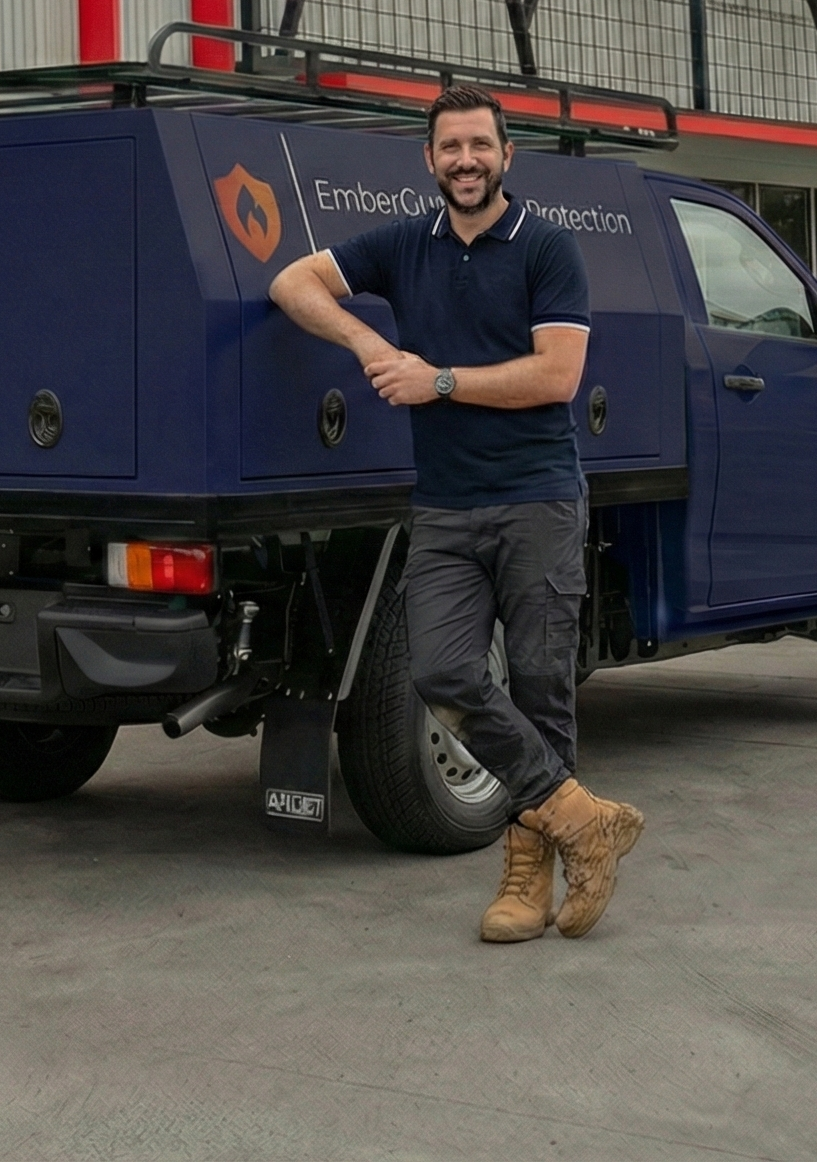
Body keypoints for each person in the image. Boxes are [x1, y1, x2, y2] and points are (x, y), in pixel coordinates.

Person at [268, 84, 646, 942]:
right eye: (451, 148)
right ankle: (586, 822)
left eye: (481, 146)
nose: (466, 161)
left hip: (538, 500)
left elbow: (556, 377)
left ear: (507, 156)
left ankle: (525, 880)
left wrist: (436, 380)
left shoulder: (547, 249)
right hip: (445, 507)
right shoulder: (405, 244)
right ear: (428, 160)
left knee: (543, 691)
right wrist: (371, 342)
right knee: (441, 671)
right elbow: (293, 281)